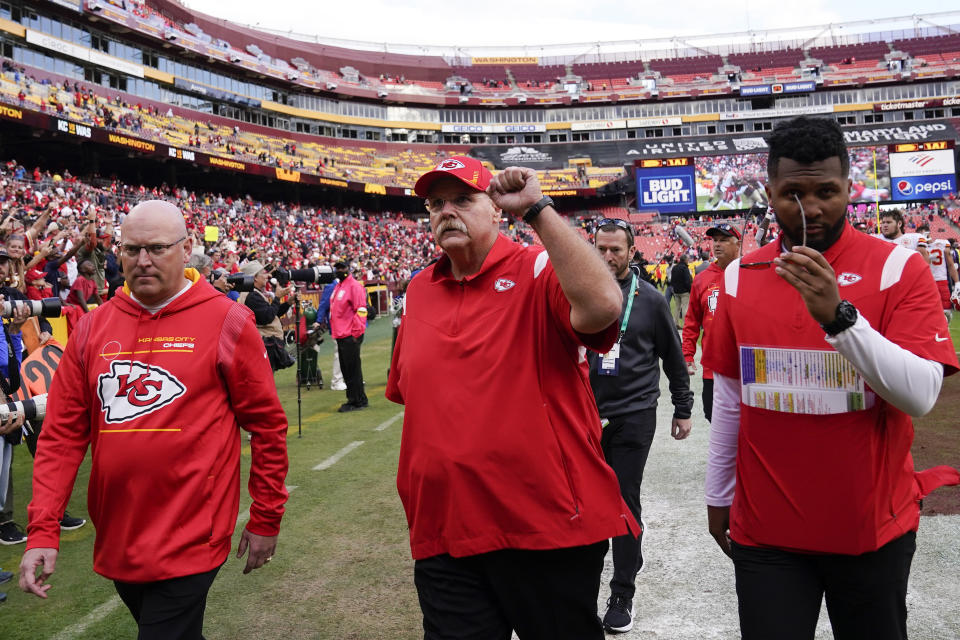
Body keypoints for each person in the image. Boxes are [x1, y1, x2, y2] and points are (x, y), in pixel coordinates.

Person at [702, 117, 959, 640]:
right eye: (792, 192)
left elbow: (920, 395)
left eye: (826, 191)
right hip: (766, 531)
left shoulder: (897, 269)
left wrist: (839, 318)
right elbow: (731, 398)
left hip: (870, 527)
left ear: (850, 188)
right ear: (769, 192)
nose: (811, 208)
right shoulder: (737, 277)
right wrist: (718, 493)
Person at [387, 156, 638, 639]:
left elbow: (604, 306)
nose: (446, 211)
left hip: (543, 526)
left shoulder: (539, 266)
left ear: (496, 210)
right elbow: (416, 399)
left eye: (463, 199)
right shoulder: (419, 289)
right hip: (444, 530)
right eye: (436, 203)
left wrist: (539, 209)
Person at [20, 200, 289, 639]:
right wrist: (43, 530)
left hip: (193, 535)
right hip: (120, 536)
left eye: (158, 248)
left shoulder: (228, 321)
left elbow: (267, 429)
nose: (143, 260)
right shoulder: (91, 329)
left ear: (186, 250)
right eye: (131, 249)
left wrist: (266, 516)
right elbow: (62, 437)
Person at [589, 218, 693, 633]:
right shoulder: (576, 294)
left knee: (623, 502)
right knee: (587, 504)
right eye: (601, 248)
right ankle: (586, 588)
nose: (608, 256)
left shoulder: (649, 300)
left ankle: (622, 592)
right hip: (585, 415)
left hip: (635, 413)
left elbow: (673, 358)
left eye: (616, 249)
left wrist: (682, 408)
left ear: (632, 252)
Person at [682, 223, 741, 422]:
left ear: (738, 244)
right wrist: (687, 354)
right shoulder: (702, 279)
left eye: (724, 240)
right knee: (713, 416)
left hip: (745, 366)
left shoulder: (749, 273)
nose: (717, 244)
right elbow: (691, 321)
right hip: (713, 370)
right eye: (715, 240)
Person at [239, 260, 295, 372]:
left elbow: (272, 313)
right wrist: (277, 298)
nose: (267, 276)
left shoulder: (253, 293)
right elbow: (267, 317)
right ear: (255, 277)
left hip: (265, 343)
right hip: (264, 344)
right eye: (263, 273)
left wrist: (288, 303)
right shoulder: (252, 295)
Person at [330, 260, 368, 412]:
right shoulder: (339, 286)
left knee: (352, 369)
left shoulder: (354, 286)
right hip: (341, 334)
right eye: (337, 268)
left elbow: (361, 310)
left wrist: (356, 333)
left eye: (342, 268)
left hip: (349, 334)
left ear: (348, 269)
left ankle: (355, 400)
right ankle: (358, 398)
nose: (339, 270)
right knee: (347, 369)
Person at [669, 254, 692, 328]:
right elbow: (687, 281)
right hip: (684, 291)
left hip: (676, 291)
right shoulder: (685, 268)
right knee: (685, 308)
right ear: (685, 260)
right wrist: (690, 290)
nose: (688, 260)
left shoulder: (674, 267)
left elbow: (672, 280)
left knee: (677, 308)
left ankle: (675, 323)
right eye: (687, 259)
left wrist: (674, 288)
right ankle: (686, 324)